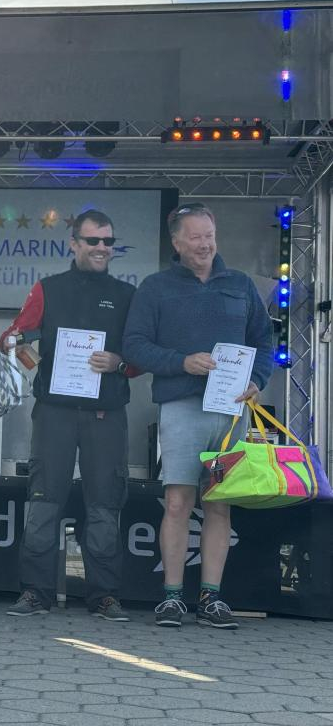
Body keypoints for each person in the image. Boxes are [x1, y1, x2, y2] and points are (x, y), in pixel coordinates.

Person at [123, 202, 273, 629]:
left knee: (219, 504)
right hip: (182, 406)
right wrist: (181, 362)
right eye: (195, 237)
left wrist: (258, 379)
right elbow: (134, 346)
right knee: (177, 502)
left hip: (231, 411)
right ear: (176, 242)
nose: (205, 244)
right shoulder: (155, 288)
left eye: (209, 235)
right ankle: (172, 598)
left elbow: (264, 341)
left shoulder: (241, 285)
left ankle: (211, 598)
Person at [0, 210, 140, 621]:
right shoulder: (48, 289)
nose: (101, 248)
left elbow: (142, 355)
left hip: (106, 413)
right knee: (44, 499)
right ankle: (36, 592)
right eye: (93, 240)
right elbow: (11, 339)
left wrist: (119, 363)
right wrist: (34, 360)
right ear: (74, 243)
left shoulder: (127, 295)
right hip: (55, 412)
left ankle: (104, 595)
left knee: (105, 502)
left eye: (108, 241)